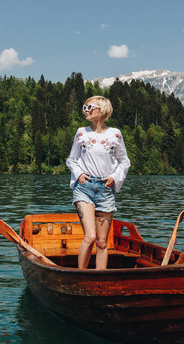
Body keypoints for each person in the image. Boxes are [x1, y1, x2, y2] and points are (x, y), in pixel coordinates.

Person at [66, 96, 131, 269]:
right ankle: (80, 276)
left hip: (105, 190)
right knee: (90, 237)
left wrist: (115, 178)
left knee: (102, 243)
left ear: (101, 110)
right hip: (84, 188)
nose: (85, 110)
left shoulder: (115, 134)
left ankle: (99, 281)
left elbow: (124, 161)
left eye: (89, 107)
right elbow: (71, 160)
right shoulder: (81, 132)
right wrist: (79, 174)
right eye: (84, 107)